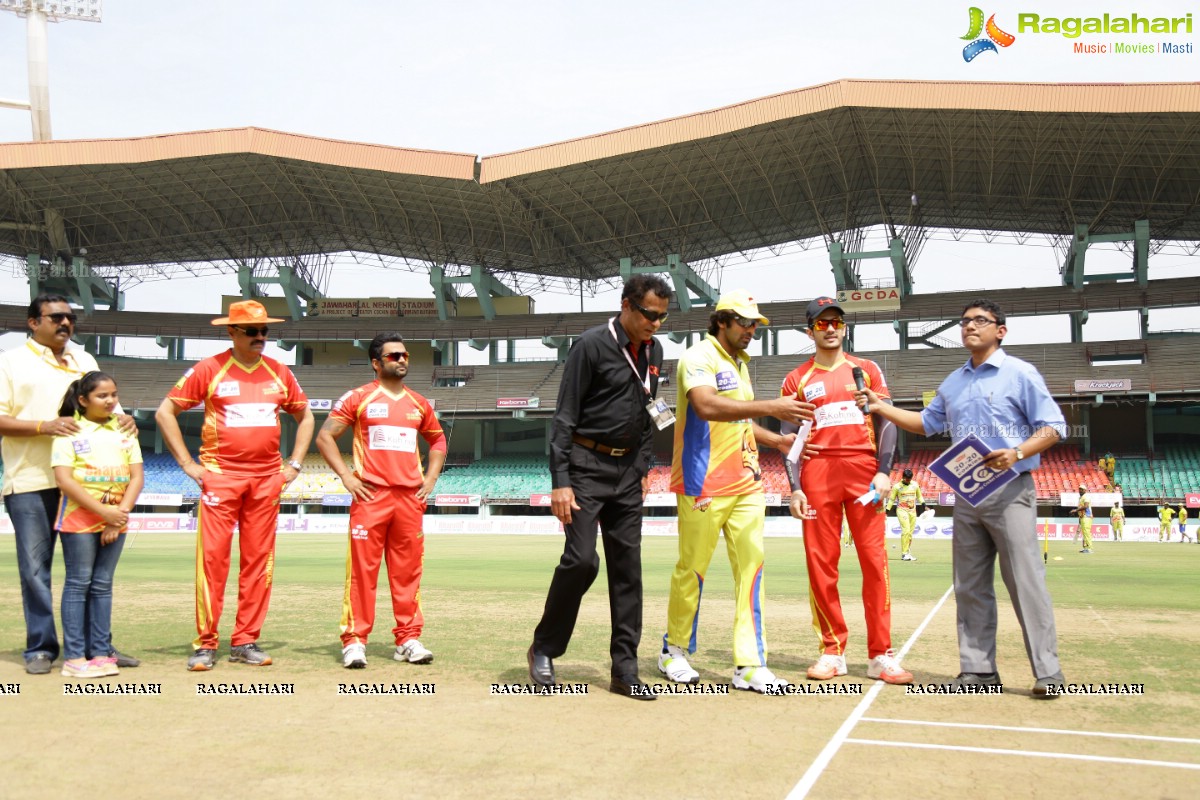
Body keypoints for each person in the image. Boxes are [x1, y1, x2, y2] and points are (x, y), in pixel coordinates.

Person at [858, 298, 1068, 698]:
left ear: (1000, 330)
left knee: (1025, 582)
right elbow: (926, 423)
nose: (970, 326)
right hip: (967, 492)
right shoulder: (953, 381)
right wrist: (880, 406)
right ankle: (978, 670)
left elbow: (1053, 425)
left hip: (1011, 489)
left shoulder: (1021, 374)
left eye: (980, 321)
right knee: (969, 584)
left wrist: (1017, 452)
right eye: (965, 321)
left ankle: (1048, 672)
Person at [660, 290, 813, 694]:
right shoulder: (698, 357)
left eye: (755, 325)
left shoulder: (739, 364)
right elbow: (708, 407)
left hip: (747, 482)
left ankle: (748, 664)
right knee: (692, 569)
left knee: (752, 572)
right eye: (744, 323)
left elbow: (739, 424)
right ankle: (673, 650)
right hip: (703, 483)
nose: (751, 330)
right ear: (721, 321)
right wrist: (773, 408)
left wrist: (774, 440)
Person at [529, 275, 672, 700]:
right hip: (586, 466)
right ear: (626, 305)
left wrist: (645, 466)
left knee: (628, 571)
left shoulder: (655, 351)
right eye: (649, 315)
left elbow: (652, 409)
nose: (656, 324)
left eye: (662, 317)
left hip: (629, 472)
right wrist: (561, 481)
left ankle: (624, 671)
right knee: (581, 561)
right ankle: (545, 647)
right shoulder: (590, 345)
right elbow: (564, 416)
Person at [156, 300, 314, 671]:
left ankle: (245, 640)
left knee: (259, 563)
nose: (261, 337)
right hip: (220, 477)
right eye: (252, 331)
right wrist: (187, 465)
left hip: (266, 480)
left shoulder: (279, 372)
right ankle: (205, 643)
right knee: (213, 561)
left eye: (264, 331)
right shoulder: (210, 368)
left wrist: (294, 465)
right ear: (231, 332)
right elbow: (166, 412)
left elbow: (305, 416)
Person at [0, 294, 140, 675]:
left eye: (70, 318)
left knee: (92, 576)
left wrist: (127, 420)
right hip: (33, 479)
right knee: (35, 569)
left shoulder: (85, 360)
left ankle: (99, 647)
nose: (65, 323)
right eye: (56, 317)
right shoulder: (10, 362)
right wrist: (43, 426)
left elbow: (108, 410)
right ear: (33, 322)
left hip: (90, 489)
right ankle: (42, 648)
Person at [782, 296, 913, 686]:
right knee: (821, 564)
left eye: (836, 322)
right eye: (822, 324)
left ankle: (880, 655)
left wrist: (884, 471)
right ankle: (832, 650)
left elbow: (888, 422)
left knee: (875, 562)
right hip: (818, 473)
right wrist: (794, 488)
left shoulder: (867, 370)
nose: (831, 328)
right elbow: (790, 439)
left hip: (862, 471)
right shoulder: (797, 379)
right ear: (810, 331)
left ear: (845, 327)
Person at [315, 333, 447, 669]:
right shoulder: (359, 397)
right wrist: (346, 477)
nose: (401, 360)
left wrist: (430, 479)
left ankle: (407, 639)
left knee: (407, 574)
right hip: (371, 497)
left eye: (404, 355)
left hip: (409, 500)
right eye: (393, 356)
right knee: (363, 573)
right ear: (376, 362)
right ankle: (355, 641)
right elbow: (325, 436)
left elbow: (438, 441)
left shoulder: (419, 403)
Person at [51, 372, 144, 679]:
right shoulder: (69, 431)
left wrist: (119, 514)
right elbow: (64, 479)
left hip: (117, 518)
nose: (110, 401)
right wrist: (105, 514)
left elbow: (137, 477)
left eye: (114, 395)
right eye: (102, 396)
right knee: (79, 584)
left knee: (103, 586)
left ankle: (102, 653)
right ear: (83, 400)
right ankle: (75, 657)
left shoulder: (125, 431)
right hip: (80, 517)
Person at [887, 468, 926, 562]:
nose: (908, 481)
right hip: (901, 510)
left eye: (910, 479)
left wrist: (923, 504)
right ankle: (904, 554)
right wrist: (887, 510)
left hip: (912, 511)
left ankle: (907, 553)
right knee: (906, 531)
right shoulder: (897, 487)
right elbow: (892, 499)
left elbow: (919, 496)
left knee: (910, 534)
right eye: (906, 479)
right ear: (903, 477)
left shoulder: (915, 485)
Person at [1076, 485, 1093, 554]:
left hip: (1087, 516)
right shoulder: (1080, 498)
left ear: (1085, 490)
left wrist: (1075, 510)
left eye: (1082, 489)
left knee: (1086, 532)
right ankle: (1085, 548)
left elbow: (1085, 506)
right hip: (1083, 517)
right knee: (1084, 533)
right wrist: (1079, 518)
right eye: (1079, 489)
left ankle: (1089, 548)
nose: (1080, 490)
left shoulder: (1086, 496)